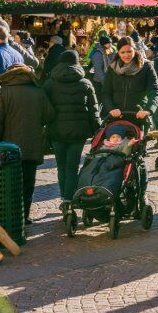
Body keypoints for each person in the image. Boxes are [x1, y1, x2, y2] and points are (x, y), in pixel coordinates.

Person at [0, 64, 56, 225]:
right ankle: (24, 216)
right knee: (28, 183)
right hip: (31, 146)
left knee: (8, 183)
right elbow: (49, 115)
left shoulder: (4, 92)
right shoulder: (38, 91)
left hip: (7, 149)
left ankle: (9, 214)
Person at [41, 48, 100, 208]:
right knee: (73, 166)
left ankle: (64, 198)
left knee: (61, 166)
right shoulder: (85, 83)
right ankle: (69, 198)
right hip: (78, 131)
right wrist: (98, 131)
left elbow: (44, 109)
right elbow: (94, 110)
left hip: (56, 130)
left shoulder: (50, 84)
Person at [88, 35, 113, 104]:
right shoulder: (98, 54)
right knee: (100, 100)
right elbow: (98, 70)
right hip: (98, 81)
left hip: (105, 80)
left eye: (110, 43)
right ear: (104, 44)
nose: (110, 45)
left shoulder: (108, 52)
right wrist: (105, 82)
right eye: (109, 43)